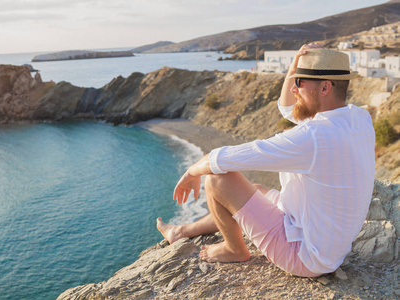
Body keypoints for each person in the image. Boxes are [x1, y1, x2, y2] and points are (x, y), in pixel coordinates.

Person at [157, 44, 375, 277]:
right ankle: (181, 231)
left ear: (325, 87)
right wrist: (296, 63)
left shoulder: (314, 137)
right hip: (327, 244)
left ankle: (234, 250)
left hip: (305, 256)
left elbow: (225, 158)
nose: (294, 88)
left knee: (216, 179)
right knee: (256, 190)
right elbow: (288, 109)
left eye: (300, 82)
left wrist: (191, 172)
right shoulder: (359, 118)